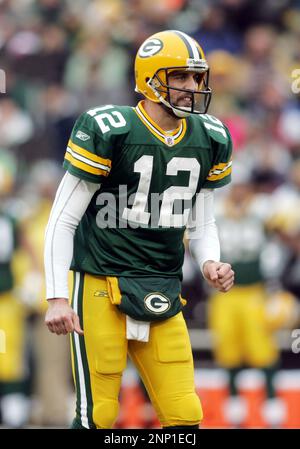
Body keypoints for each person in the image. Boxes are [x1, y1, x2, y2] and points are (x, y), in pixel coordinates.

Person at [44, 30, 235, 429]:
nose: (192, 87)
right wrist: (57, 296)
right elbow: (63, 218)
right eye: (180, 77)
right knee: (98, 414)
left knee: (185, 415)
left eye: (197, 78)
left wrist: (210, 261)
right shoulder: (109, 127)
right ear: (151, 78)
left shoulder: (210, 136)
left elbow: (202, 221)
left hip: (163, 285)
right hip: (100, 281)